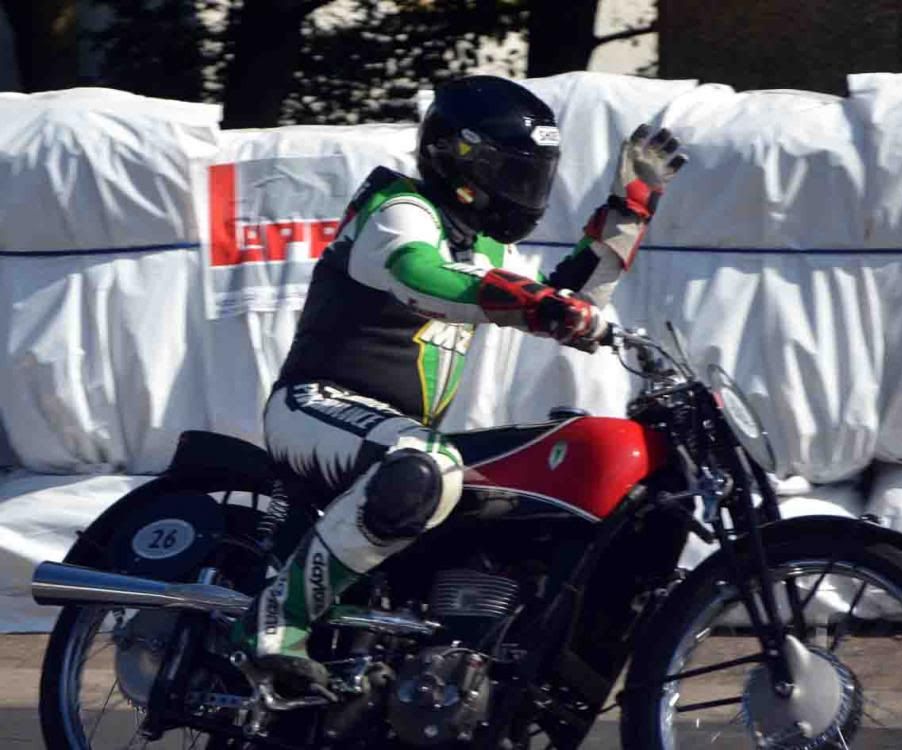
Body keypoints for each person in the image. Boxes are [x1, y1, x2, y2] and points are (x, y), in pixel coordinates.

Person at [231, 75, 686, 688]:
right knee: (428, 466)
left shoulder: (486, 248)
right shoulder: (398, 210)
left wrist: (629, 210)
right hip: (314, 407)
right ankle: (276, 619)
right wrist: (536, 306)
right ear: (458, 160)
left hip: (394, 433)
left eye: (534, 175)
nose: (524, 191)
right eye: (512, 173)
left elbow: (561, 297)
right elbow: (420, 275)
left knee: (495, 492)